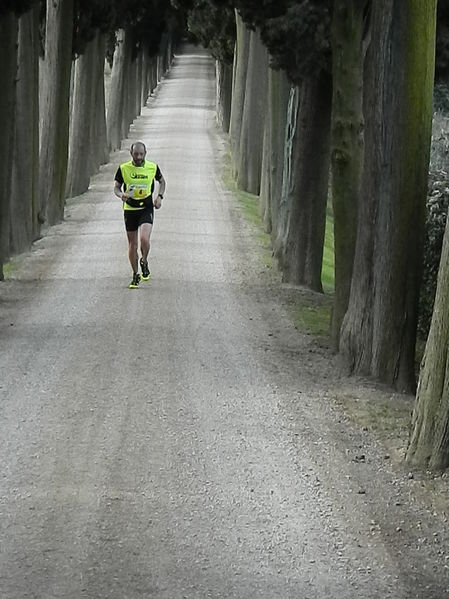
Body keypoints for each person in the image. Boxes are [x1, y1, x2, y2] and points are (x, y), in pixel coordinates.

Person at [114, 141, 166, 288]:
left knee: (144, 239)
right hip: (130, 209)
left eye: (141, 154)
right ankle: (135, 274)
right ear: (131, 153)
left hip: (146, 208)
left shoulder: (152, 167)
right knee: (132, 244)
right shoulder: (123, 168)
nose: (138, 157)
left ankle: (144, 260)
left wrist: (159, 197)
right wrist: (121, 195)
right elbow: (116, 187)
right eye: (136, 154)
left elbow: (162, 182)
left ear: (145, 154)